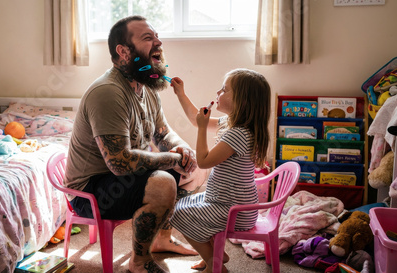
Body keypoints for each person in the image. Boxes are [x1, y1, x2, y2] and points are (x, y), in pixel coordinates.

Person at [64, 15, 199, 273]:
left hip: (120, 176)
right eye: (148, 38)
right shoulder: (107, 93)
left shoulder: (147, 87)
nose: (158, 41)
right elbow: (119, 163)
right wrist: (173, 158)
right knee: (164, 182)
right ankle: (139, 261)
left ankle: (162, 238)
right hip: (90, 192)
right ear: (124, 51)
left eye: (156, 36)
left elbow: (163, 133)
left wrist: (183, 149)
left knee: (195, 167)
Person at [169, 68, 271, 273]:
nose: (218, 92)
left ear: (242, 100)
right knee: (184, 203)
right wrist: (181, 94)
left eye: (224, 90)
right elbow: (194, 118)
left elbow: (205, 161)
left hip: (235, 210)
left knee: (178, 214)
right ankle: (214, 254)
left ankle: (214, 263)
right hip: (229, 201)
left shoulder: (238, 134)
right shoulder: (233, 124)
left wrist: (200, 128)